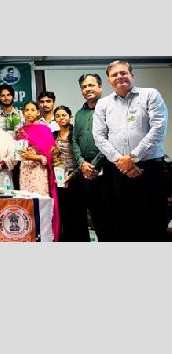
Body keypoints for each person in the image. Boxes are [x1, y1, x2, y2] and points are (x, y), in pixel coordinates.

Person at [93, 60, 169, 241]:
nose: (119, 77)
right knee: (122, 222)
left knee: (153, 221)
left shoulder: (150, 95)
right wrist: (121, 161)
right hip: (118, 170)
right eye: (114, 75)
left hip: (149, 168)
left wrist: (133, 157)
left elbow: (158, 129)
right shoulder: (103, 104)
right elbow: (99, 136)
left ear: (132, 75)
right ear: (109, 80)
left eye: (123, 73)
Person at [72, 73, 109, 241]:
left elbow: (111, 139)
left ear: (100, 87)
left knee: (109, 215)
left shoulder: (109, 109)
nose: (87, 89)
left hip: (106, 171)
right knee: (94, 215)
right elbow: (74, 140)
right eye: (84, 87)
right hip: (85, 172)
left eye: (91, 85)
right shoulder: (79, 114)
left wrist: (94, 165)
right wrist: (82, 163)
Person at [16, 101, 61, 241]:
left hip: (39, 172)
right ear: (23, 113)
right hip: (25, 172)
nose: (29, 113)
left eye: (32, 110)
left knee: (41, 204)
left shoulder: (44, 130)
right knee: (27, 204)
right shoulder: (21, 131)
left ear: (37, 112)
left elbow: (50, 157)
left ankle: (44, 237)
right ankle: (29, 236)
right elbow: (17, 154)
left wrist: (34, 157)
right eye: (27, 110)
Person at [53, 106, 89, 241]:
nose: (61, 118)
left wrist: (72, 175)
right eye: (58, 116)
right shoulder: (53, 135)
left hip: (76, 176)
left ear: (70, 116)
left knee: (78, 212)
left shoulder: (76, 133)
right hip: (60, 178)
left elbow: (82, 155)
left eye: (64, 115)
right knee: (64, 212)